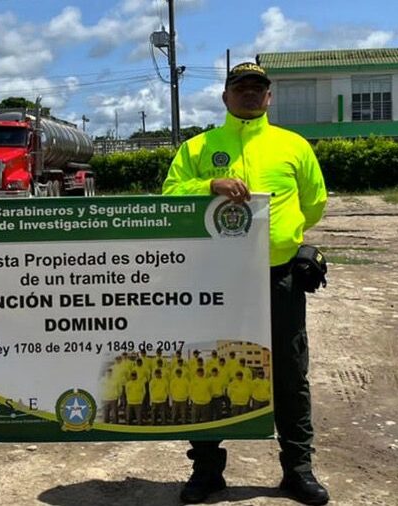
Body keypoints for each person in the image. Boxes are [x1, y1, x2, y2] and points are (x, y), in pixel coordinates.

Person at [162, 62, 330, 505]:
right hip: (213, 278)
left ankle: (298, 471)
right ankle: (206, 472)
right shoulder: (199, 147)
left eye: (258, 88)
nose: (250, 95)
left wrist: (287, 241)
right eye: (241, 88)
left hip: (279, 277)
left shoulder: (293, 147)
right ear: (225, 97)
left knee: (290, 374)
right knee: (206, 367)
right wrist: (208, 185)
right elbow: (168, 197)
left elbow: (314, 205)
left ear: (269, 97)